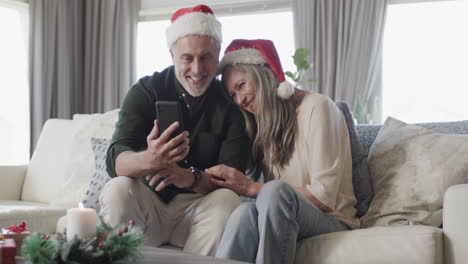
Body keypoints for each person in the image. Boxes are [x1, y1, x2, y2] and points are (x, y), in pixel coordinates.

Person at [99, 5, 249, 256]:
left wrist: (188, 176)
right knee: (117, 189)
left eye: (206, 57)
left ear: (218, 54)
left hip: (198, 208)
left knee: (228, 201)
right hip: (149, 203)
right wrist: (149, 159)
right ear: (172, 55)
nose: (197, 69)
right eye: (187, 58)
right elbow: (115, 160)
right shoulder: (146, 91)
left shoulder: (230, 102)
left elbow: (233, 180)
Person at [207, 39, 360, 264]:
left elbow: (324, 196)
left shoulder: (317, 107)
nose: (240, 100)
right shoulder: (264, 124)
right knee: (243, 214)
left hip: (333, 219)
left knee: (273, 191)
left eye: (241, 86)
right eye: (233, 95)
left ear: (263, 74)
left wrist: (252, 187)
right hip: (287, 216)